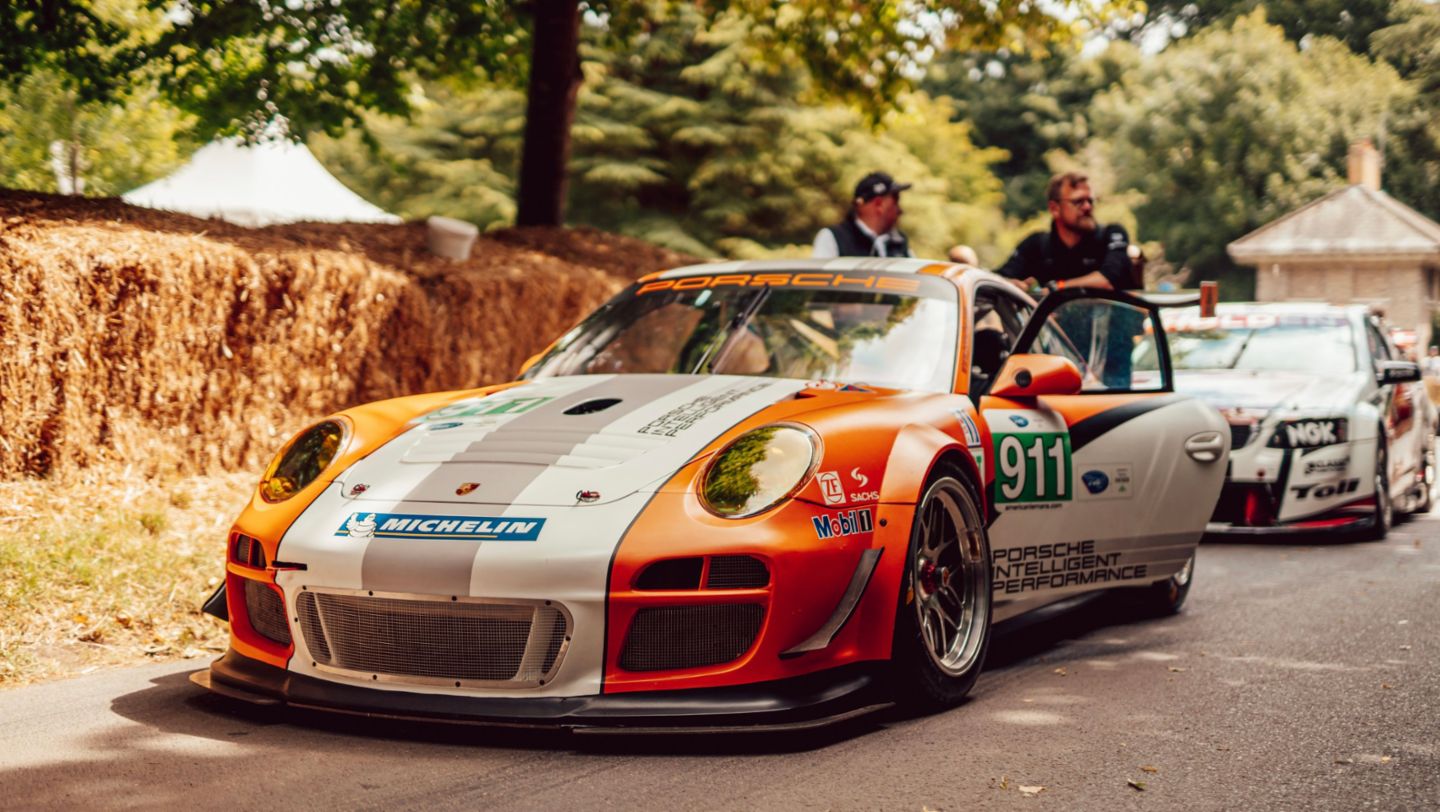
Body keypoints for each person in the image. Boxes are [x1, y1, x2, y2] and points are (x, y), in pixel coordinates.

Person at [997, 172, 1139, 291]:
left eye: (1090, 201)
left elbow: (1109, 279)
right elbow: (1001, 277)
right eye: (1078, 202)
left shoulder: (1112, 234)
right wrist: (1011, 285)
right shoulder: (1037, 245)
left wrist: (1058, 287)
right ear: (1054, 209)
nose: (1087, 207)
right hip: (1055, 324)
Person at [812, 172, 914, 258]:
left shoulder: (899, 242)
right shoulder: (834, 238)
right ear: (879, 204)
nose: (900, 210)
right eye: (895, 202)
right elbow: (820, 279)